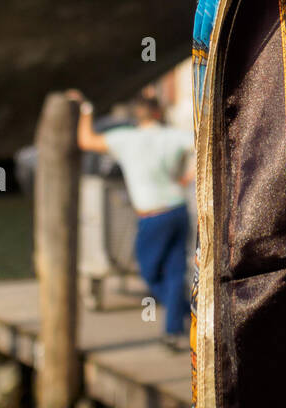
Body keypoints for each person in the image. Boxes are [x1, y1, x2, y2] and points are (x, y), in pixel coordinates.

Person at [70, 89, 194, 351]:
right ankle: (176, 325)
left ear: (138, 115)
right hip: (177, 210)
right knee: (174, 273)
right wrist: (187, 178)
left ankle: (181, 316)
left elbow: (86, 140)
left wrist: (86, 110)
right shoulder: (173, 136)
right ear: (159, 113)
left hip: (152, 216)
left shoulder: (126, 139)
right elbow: (206, 142)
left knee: (149, 272)